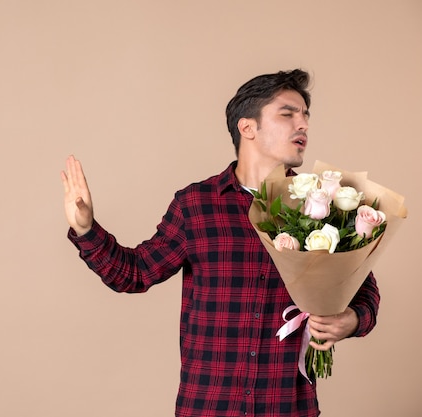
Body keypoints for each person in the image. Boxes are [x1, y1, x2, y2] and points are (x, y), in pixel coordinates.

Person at [60, 69, 380, 417]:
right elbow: (134, 273)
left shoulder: (323, 204)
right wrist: (87, 229)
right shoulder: (196, 205)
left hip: (288, 407)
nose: (302, 124)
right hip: (209, 407)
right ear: (247, 128)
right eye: (288, 114)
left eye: (305, 115)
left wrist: (352, 320)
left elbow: (362, 290)